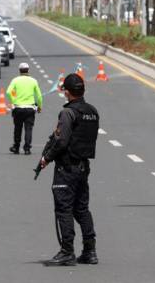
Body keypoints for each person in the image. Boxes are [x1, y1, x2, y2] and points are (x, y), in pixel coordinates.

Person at [39, 74, 100, 266]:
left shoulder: (67, 113)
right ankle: (90, 251)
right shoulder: (93, 111)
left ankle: (67, 251)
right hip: (83, 167)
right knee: (82, 209)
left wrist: (46, 158)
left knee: (64, 209)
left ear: (67, 91)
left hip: (67, 168)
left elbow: (62, 141)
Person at [6, 62, 43, 155]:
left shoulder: (15, 80)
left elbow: (8, 92)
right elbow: (39, 96)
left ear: (19, 71)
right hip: (30, 108)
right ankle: (27, 148)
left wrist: (13, 101)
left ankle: (16, 147)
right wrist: (39, 107)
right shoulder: (33, 81)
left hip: (18, 108)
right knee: (28, 128)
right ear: (28, 70)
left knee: (17, 128)